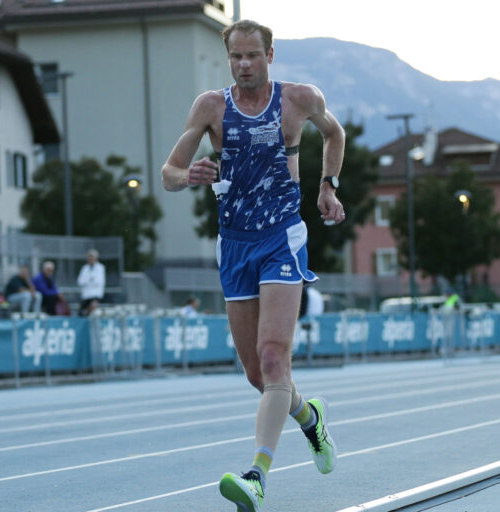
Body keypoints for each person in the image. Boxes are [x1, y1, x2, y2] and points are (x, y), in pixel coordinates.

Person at [161, 19, 345, 511]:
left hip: (282, 237)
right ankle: (310, 418)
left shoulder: (298, 99)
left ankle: (257, 476)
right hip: (235, 243)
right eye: (236, 57)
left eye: (253, 56)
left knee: (273, 357)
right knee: (258, 375)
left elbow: (335, 134)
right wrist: (189, 174)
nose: (244, 65)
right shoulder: (211, 107)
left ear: (270, 55)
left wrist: (328, 187)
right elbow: (168, 173)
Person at [77, 248, 105, 316]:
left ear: (96, 258)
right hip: (86, 295)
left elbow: (98, 282)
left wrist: (87, 280)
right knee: (80, 313)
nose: (90, 259)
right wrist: (90, 279)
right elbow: (80, 281)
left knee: (92, 308)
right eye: (89, 257)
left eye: (92, 257)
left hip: (96, 295)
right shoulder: (84, 268)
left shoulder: (100, 268)